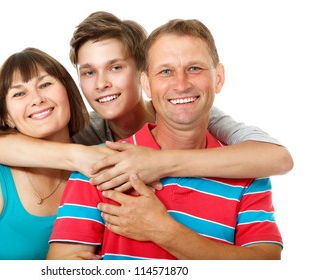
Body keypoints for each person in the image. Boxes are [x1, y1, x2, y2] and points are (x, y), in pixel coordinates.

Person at [0, 11, 293, 192]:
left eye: (115, 67)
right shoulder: (89, 134)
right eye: (89, 72)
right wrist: (79, 156)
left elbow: (278, 159)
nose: (102, 83)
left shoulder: (183, 113)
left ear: (143, 74)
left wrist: (160, 161)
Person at [47, 18, 283, 260]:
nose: (181, 85)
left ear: (219, 78)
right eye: (166, 71)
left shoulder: (248, 171)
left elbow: (266, 265)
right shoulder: (99, 164)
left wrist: (164, 231)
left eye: (194, 68)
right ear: (146, 83)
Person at [0, 48, 101, 260]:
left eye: (45, 84)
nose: (37, 99)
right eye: (19, 93)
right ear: (7, 116)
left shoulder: (98, 166)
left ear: (68, 92)